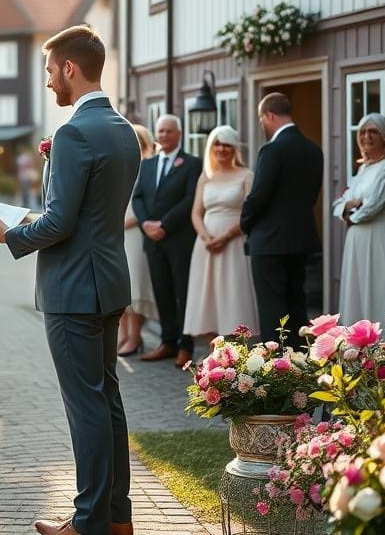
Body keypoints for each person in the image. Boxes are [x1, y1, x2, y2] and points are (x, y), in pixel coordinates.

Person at [0, 25, 140, 535]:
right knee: (108, 402)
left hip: (73, 290)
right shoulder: (123, 129)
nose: (49, 81)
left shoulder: (74, 133)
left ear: (70, 67)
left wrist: (8, 234)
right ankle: (117, 517)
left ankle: (88, 522)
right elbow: (90, 214)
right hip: (109, 283)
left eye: (50, 70)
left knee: (86, 407)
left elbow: (59, 222)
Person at [241, 92, 323, 348]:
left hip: (269, 242)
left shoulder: (272, 150)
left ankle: (276, 368)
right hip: (300, 240)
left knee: (272, 308)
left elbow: (257, 197)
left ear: (270, 116)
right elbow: (311, 196)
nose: (262, 125)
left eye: (262, 119)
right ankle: (300, 362)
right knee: (297, 304)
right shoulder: (313, 150)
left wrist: (245, 224)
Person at [131, 115, 202, 368]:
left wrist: (164, 225)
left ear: (179, 134)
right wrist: (146, 224)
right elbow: (138, 198)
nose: (163, 135)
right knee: (162, 293)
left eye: (169, 131)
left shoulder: (192, 164)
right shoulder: (147, 165)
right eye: (160, 131)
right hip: (153, 241)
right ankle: (167, 342)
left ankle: (186, 346)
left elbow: (190, 199)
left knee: (182, 293)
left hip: (179, 240)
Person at [183, 126, 259, 342]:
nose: (221, 148)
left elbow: (249, 213)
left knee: (233, 294)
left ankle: (237, 355)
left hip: (234, 242)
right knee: (208, 297)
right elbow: (196, 213)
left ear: (235, 148)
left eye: (226, 144)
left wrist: (225, 237)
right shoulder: (206, 176)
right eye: (217, 143)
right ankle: (214, 357)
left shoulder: (246, 175)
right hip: (206, 245)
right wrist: (207, 238)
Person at [332, 113, 385, 323]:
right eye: (363, 132)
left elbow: (373, 206)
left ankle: (382, 349)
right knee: (357, 293)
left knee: (380, 291)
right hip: (356, 243)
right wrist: (350, 205)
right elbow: (338, 204)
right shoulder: (364, 169)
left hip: (378, 239)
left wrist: (350, 215)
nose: (367, 136)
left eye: (373, 131)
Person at [118, 123, 158, 356]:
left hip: (134, 232)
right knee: (119, 285)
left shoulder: (147, 168)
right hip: (116, 234)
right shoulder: (121, 167)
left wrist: (125, 223)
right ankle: (122, 335)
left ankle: (135, 337)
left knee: (135, 286)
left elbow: (147, 205)